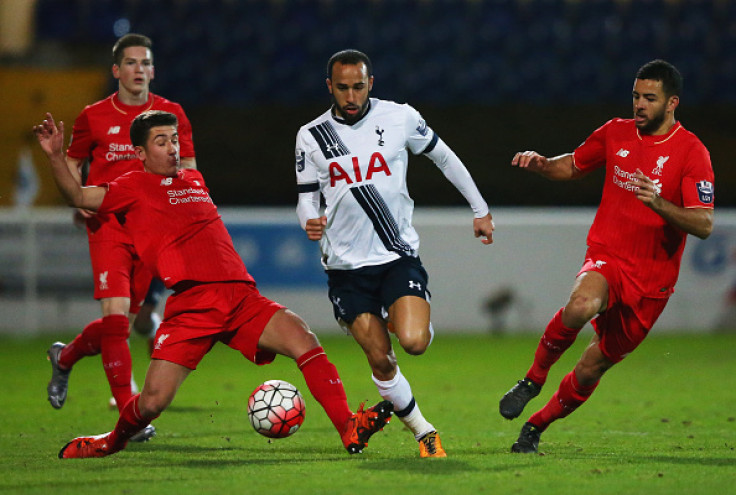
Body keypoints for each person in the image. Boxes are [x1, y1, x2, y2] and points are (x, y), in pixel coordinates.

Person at [34, 110, 393, 459]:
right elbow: (78, 197)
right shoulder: (131, 186)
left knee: (303, 338)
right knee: (153, 401)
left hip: (240, 295)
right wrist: (54, 157)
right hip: (192, 304)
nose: (172, 147)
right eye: (161, 142)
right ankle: (110, 442)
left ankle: (348, 426)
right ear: (141, 153)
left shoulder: (194, 179)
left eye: (174, 139)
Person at [499, 59, 714, 453]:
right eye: (636, 96)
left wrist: (659, 203)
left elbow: (703, 223)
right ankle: (533, 378)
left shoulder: (691, 152)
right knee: (581, 304)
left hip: (651, 285)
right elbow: (574, 165)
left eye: (650, 98)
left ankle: (535, 427)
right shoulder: (616, 133)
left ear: (672, 104)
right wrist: (545, 165)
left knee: (591, 367)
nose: (639, 105)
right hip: (608, 255)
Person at [295, 49, 495, 458]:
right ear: (329, 87)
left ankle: (406, 314)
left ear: (371, 82)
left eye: (358, 86)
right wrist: (308, 220)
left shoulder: (400, 116)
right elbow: (305, 197)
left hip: (395, 256)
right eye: (342, 87)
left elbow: (444, 157)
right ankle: (424, 432)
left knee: (415, 342)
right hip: (346, 269)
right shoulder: (310, 135)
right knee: (381, 360)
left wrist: (480, 209)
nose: (351, 95)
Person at [47, 33, 196, 425]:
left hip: (151, 234)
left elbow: (190, 172)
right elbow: (74, 169)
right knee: (115, 319)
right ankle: (131, 417)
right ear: (116, 70)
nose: (138, 70)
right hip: (108, 224)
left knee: (124, 325)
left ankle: (64, 357)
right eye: (130, 63)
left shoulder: (171, 113)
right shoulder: (93, 116)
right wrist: (75, 193)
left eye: (145, 63)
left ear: (153, 70)